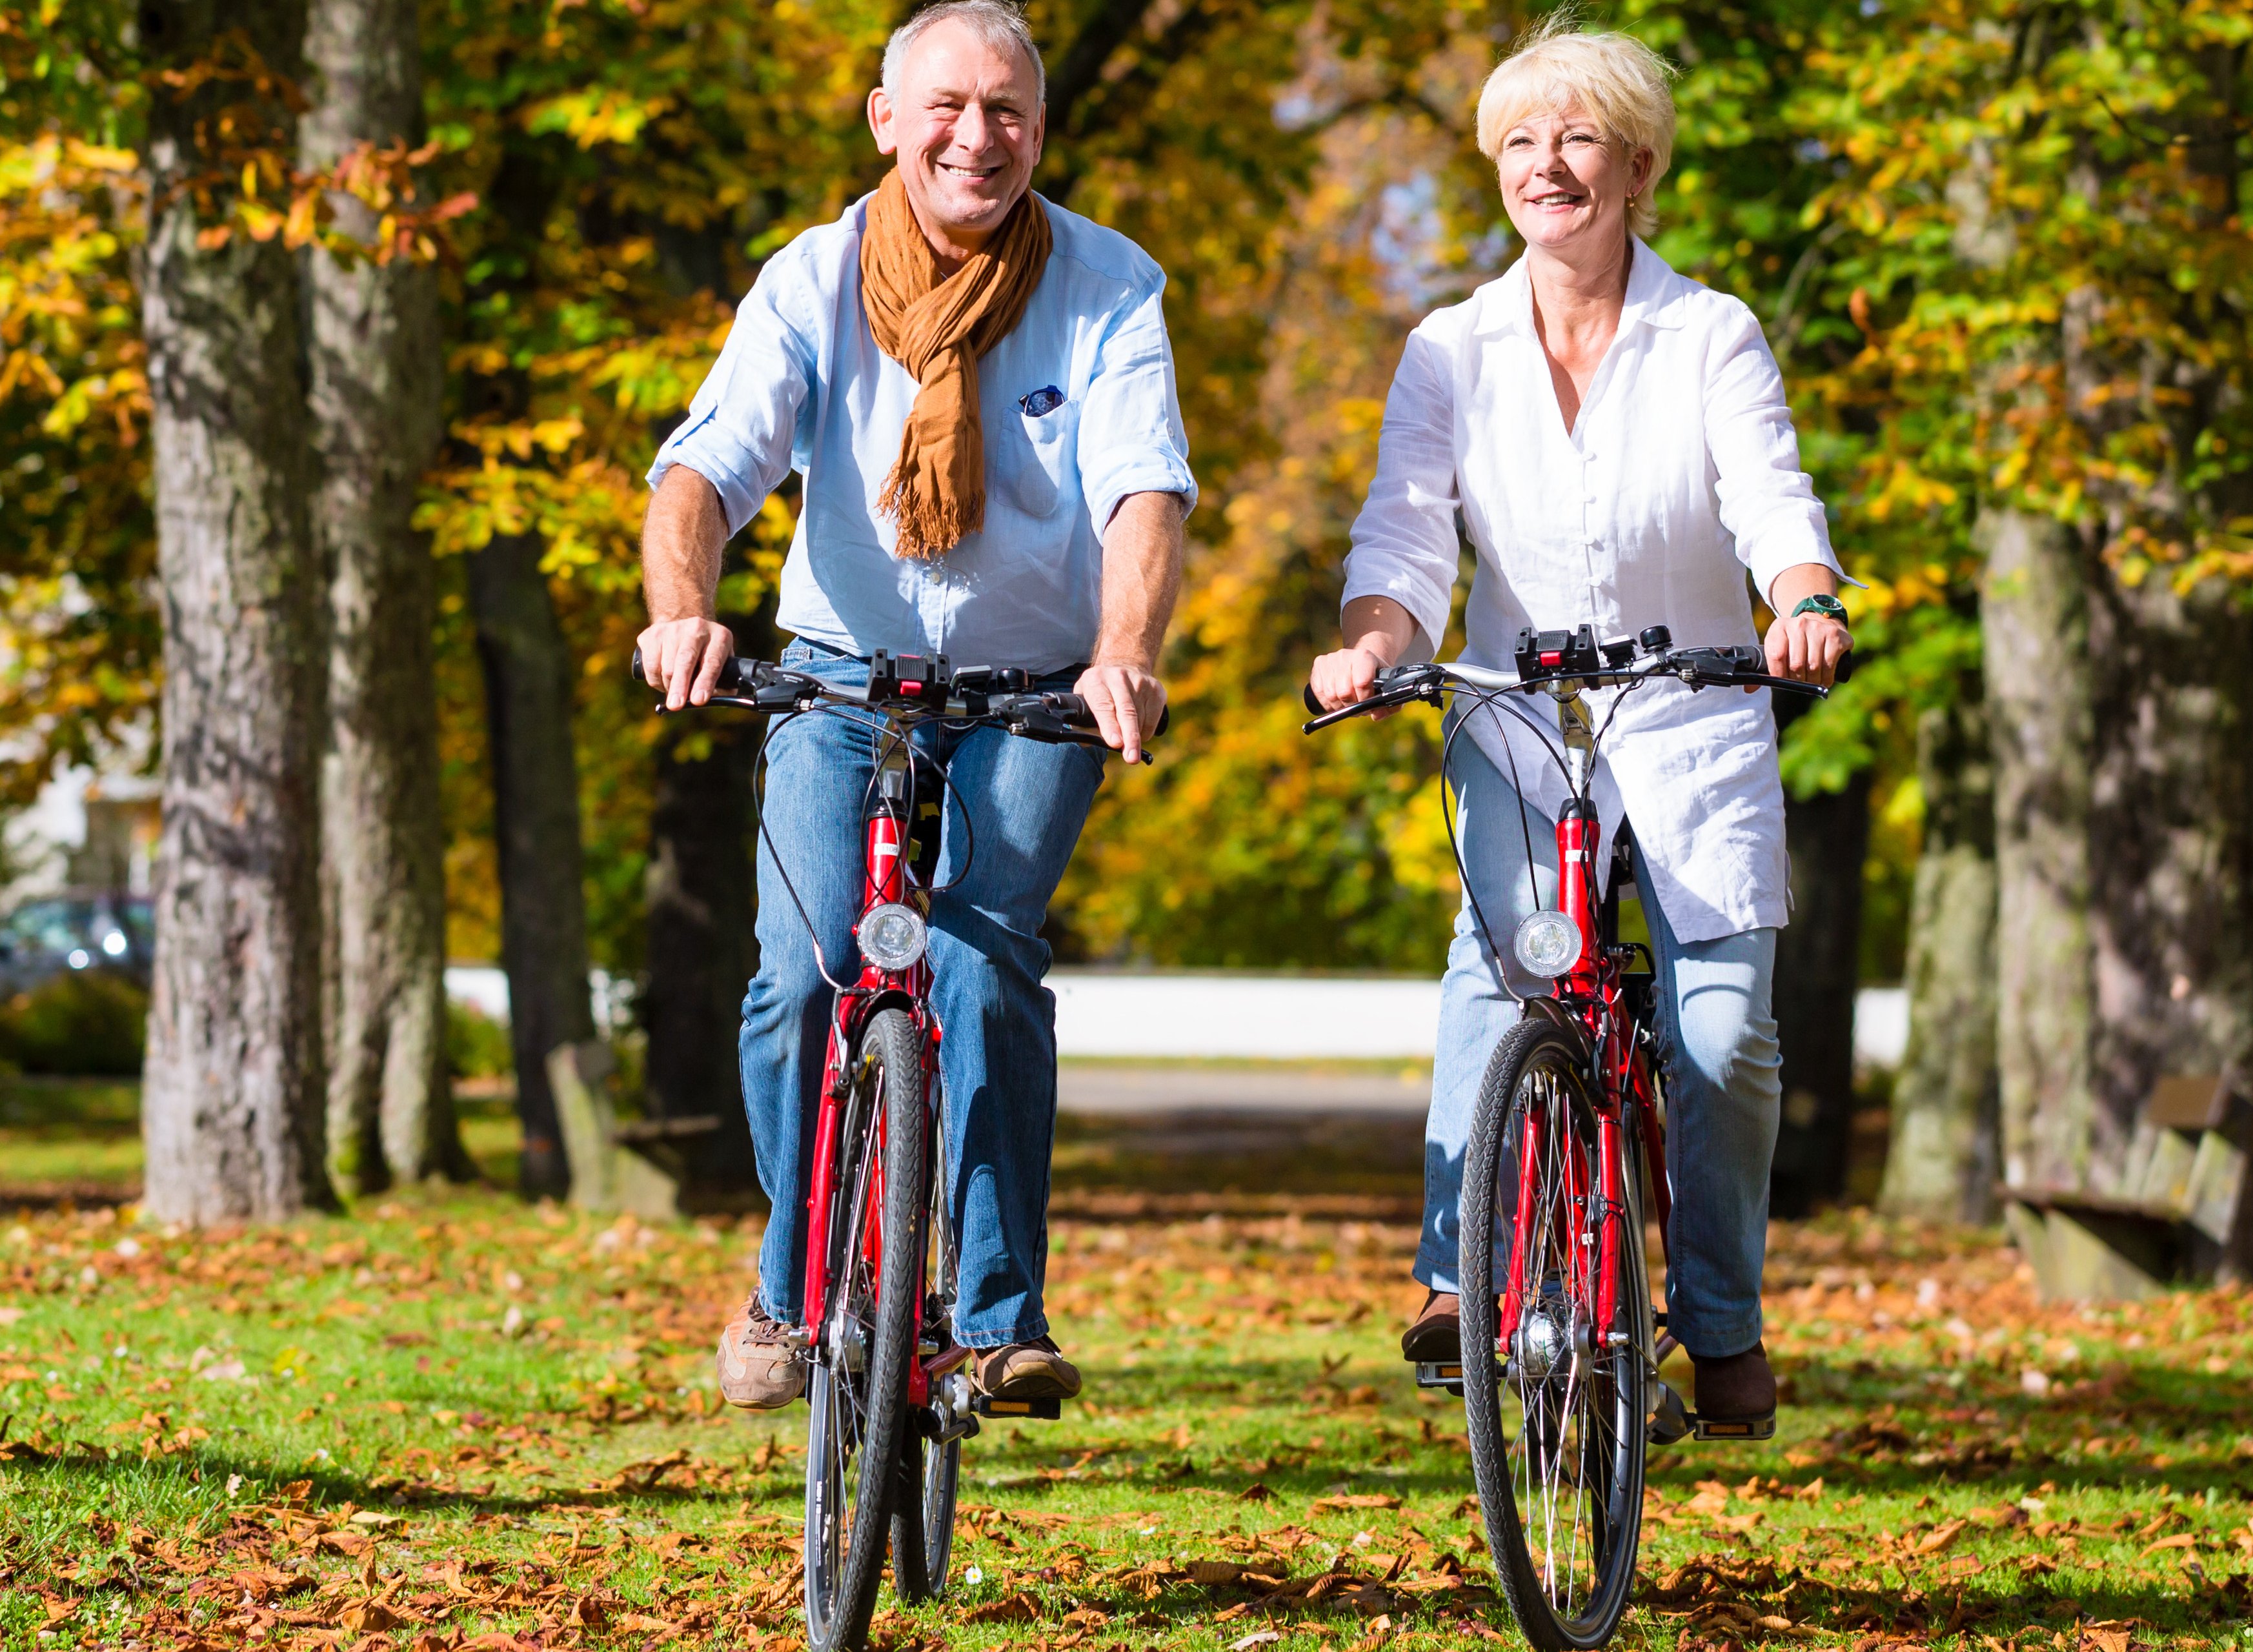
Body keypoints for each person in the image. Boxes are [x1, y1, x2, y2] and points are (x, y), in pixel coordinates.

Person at [636, 0, 1193, 1411]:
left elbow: (1142, 489)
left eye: (1008, 110)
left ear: (1039, 130)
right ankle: (791, 1279)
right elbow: (704, 471)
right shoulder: (814, 277)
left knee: (983, 958)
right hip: (836, 675)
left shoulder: (1110, 281)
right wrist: (683, 610)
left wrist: (1122, 648)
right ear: (886, 120)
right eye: (947, 105)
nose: (978, 135)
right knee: (804, 971)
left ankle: (1001, 1316)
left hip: (1031, 685)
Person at [1306, 21, 1850, 1435]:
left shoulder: (1709, 331)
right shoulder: (1450, 349)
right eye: (1519, 143)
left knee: (1721, 1038)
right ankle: (1455, 1272)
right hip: (1518, 716)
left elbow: (1769, 496)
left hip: (1695, 710)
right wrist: (1374, 642)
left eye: (1577, 138)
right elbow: (1408, 532)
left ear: (1634, 164)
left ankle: (1717, 1317)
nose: (1546, 166)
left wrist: (1801, 596)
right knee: (1499, 979)